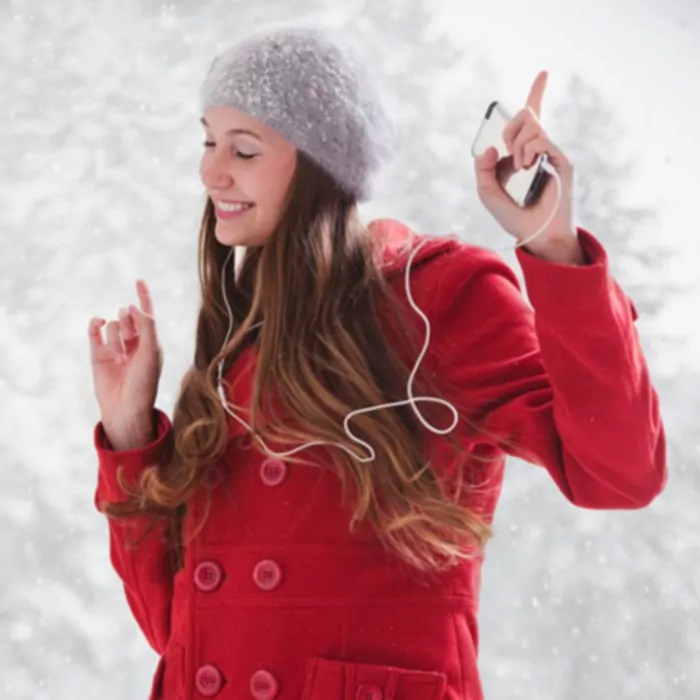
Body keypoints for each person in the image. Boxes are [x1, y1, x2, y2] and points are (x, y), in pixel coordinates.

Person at [89, 24, 667, 700]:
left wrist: (555, 246)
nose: (211, 171)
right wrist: (129, 432)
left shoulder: (435, 302)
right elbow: (175, 633)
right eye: (209, 141)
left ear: (321, 168)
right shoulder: (234, 348)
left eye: (244, 149)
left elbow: (621, 474)